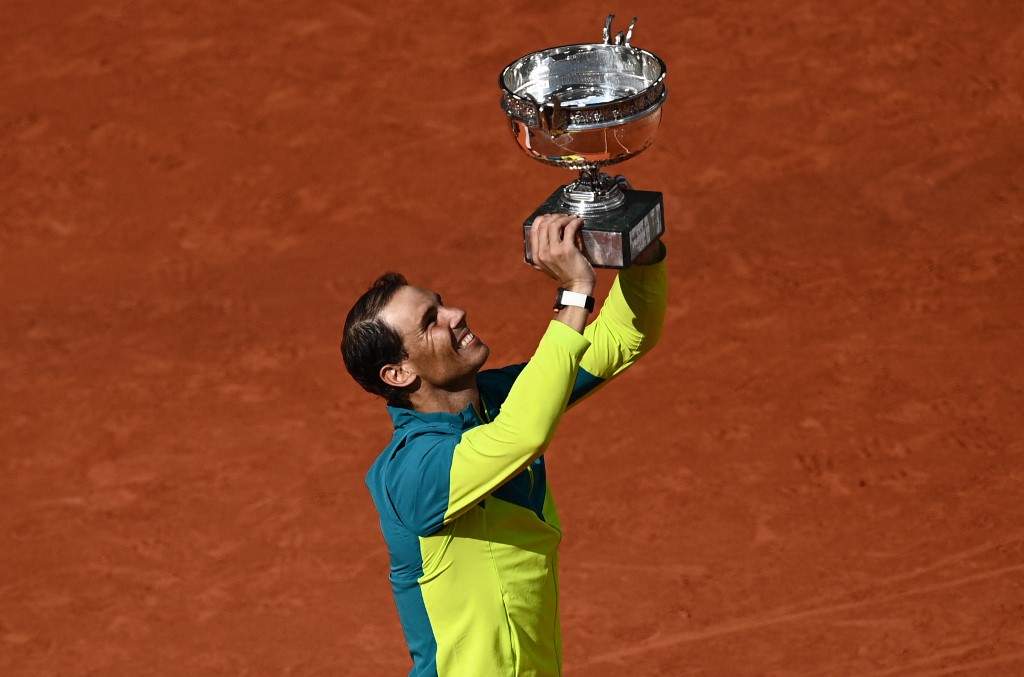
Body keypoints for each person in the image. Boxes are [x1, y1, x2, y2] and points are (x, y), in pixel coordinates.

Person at [341, 212, 668, 676]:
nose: (456, 315)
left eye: (442, 303)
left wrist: (640, 248)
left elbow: (621, 337)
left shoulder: (499, 401)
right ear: (398, 373)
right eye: (431, 321)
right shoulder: (411, 472)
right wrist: (574, 293)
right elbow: (521, 436)